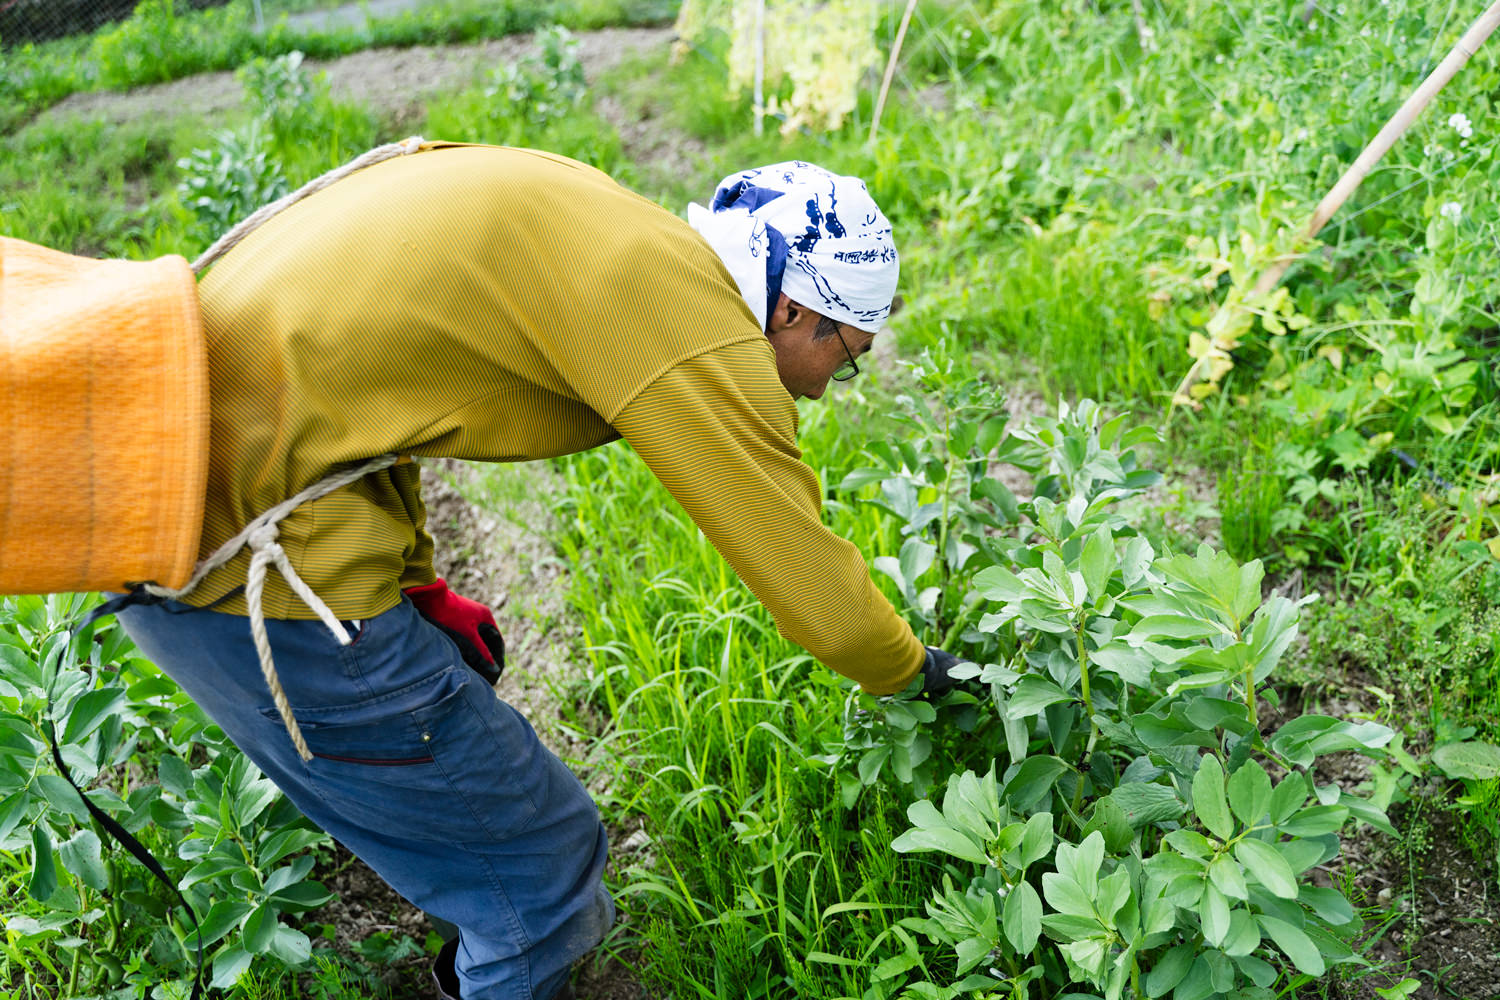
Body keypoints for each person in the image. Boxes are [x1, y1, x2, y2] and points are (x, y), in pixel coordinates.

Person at [114, 143, 965, 1000]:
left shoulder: (620, 234)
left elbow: (367, 393)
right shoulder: (694, 325)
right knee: (539, 873)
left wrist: (419, 585)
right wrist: (922, 674)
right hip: (243, 564)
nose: (826, 388)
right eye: (844, 355)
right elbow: (815, 590)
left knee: (494, 851)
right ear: (791, 309)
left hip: (160, 476)